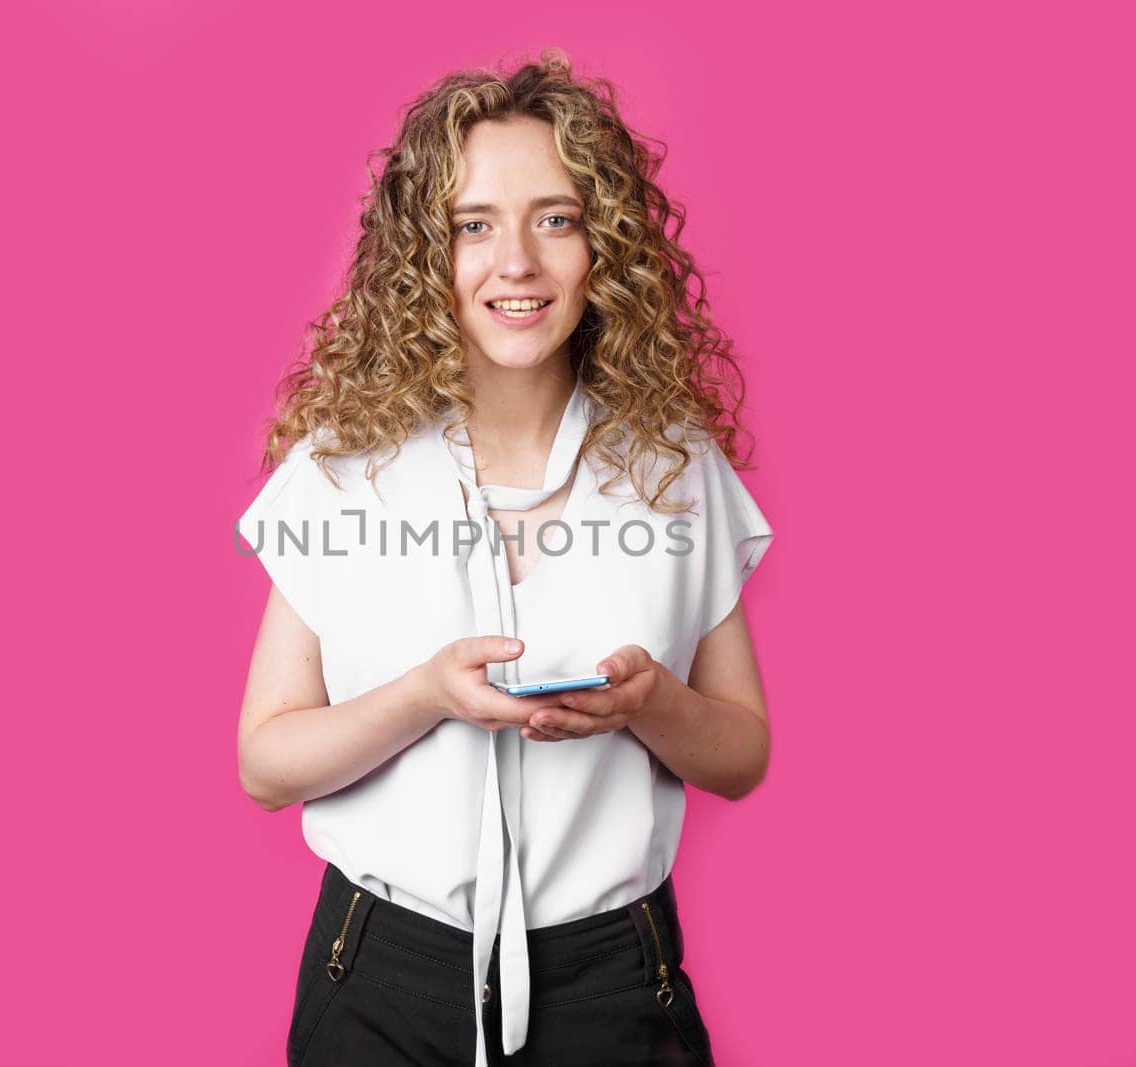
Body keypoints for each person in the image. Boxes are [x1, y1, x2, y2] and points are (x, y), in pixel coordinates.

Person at [234, 48, 775, 1067]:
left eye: (555, 218)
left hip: (614, 979)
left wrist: (649, 702)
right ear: (423, 257)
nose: (514, 261)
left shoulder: (672, 467)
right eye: (472, 224)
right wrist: (426, 694)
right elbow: (265, 763)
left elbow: (741, 753)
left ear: (601, 245)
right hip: (378, 978)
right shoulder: (343, 467)